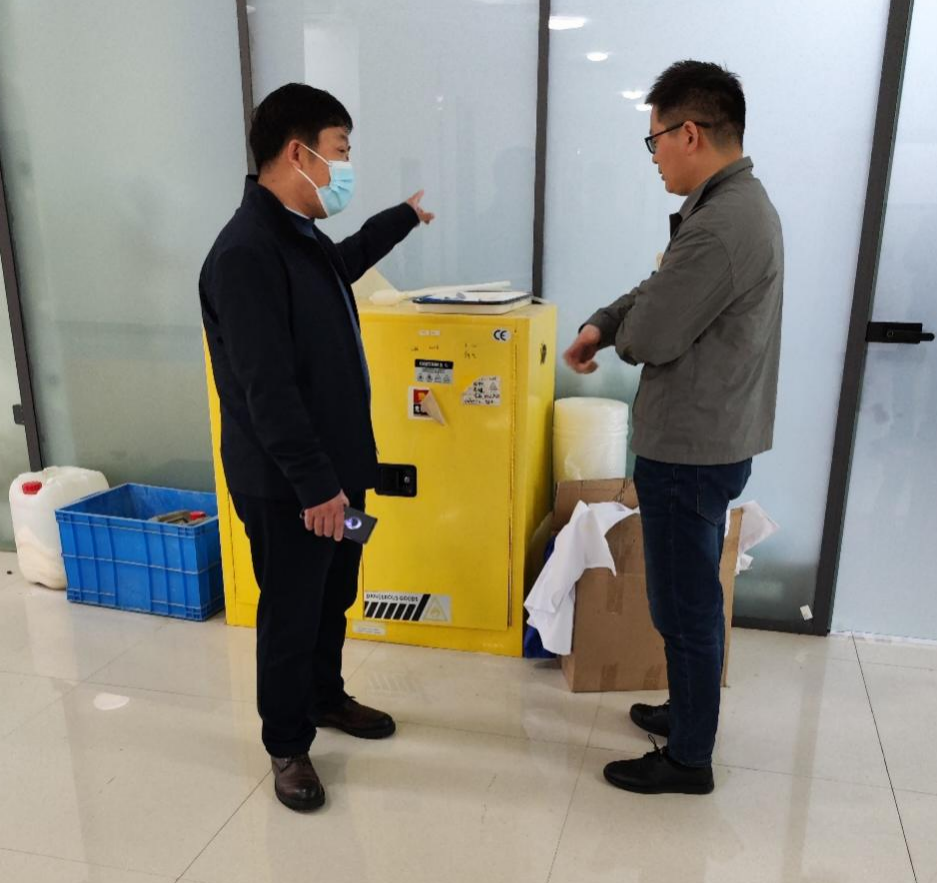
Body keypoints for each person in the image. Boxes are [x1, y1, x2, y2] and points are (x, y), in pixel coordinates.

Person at [200, 83, 434, 812]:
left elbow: (344, 262)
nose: (346, 165)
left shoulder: (297, 235)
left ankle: (325, 696)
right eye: (342, 150)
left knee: (335, 593)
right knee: (292, 609)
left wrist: (401, 219)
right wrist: (315, 488)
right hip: (290, 486)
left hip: (336, 476)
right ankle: (286, 744)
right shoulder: (246, 253)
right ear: (299, 153)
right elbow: (265, 390)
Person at [564, 61, 783, 795]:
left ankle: (689, 758)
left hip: (691, 450)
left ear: (689, 133)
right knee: (683, 598)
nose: (653, 154)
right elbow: (659, 289)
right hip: (703, 438)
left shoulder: (722, 225)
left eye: (654, 138)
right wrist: (604, 322)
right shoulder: (726, 208)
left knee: (685, 607)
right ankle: (686, 712)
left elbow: (655, 331)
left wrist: (623, 335)